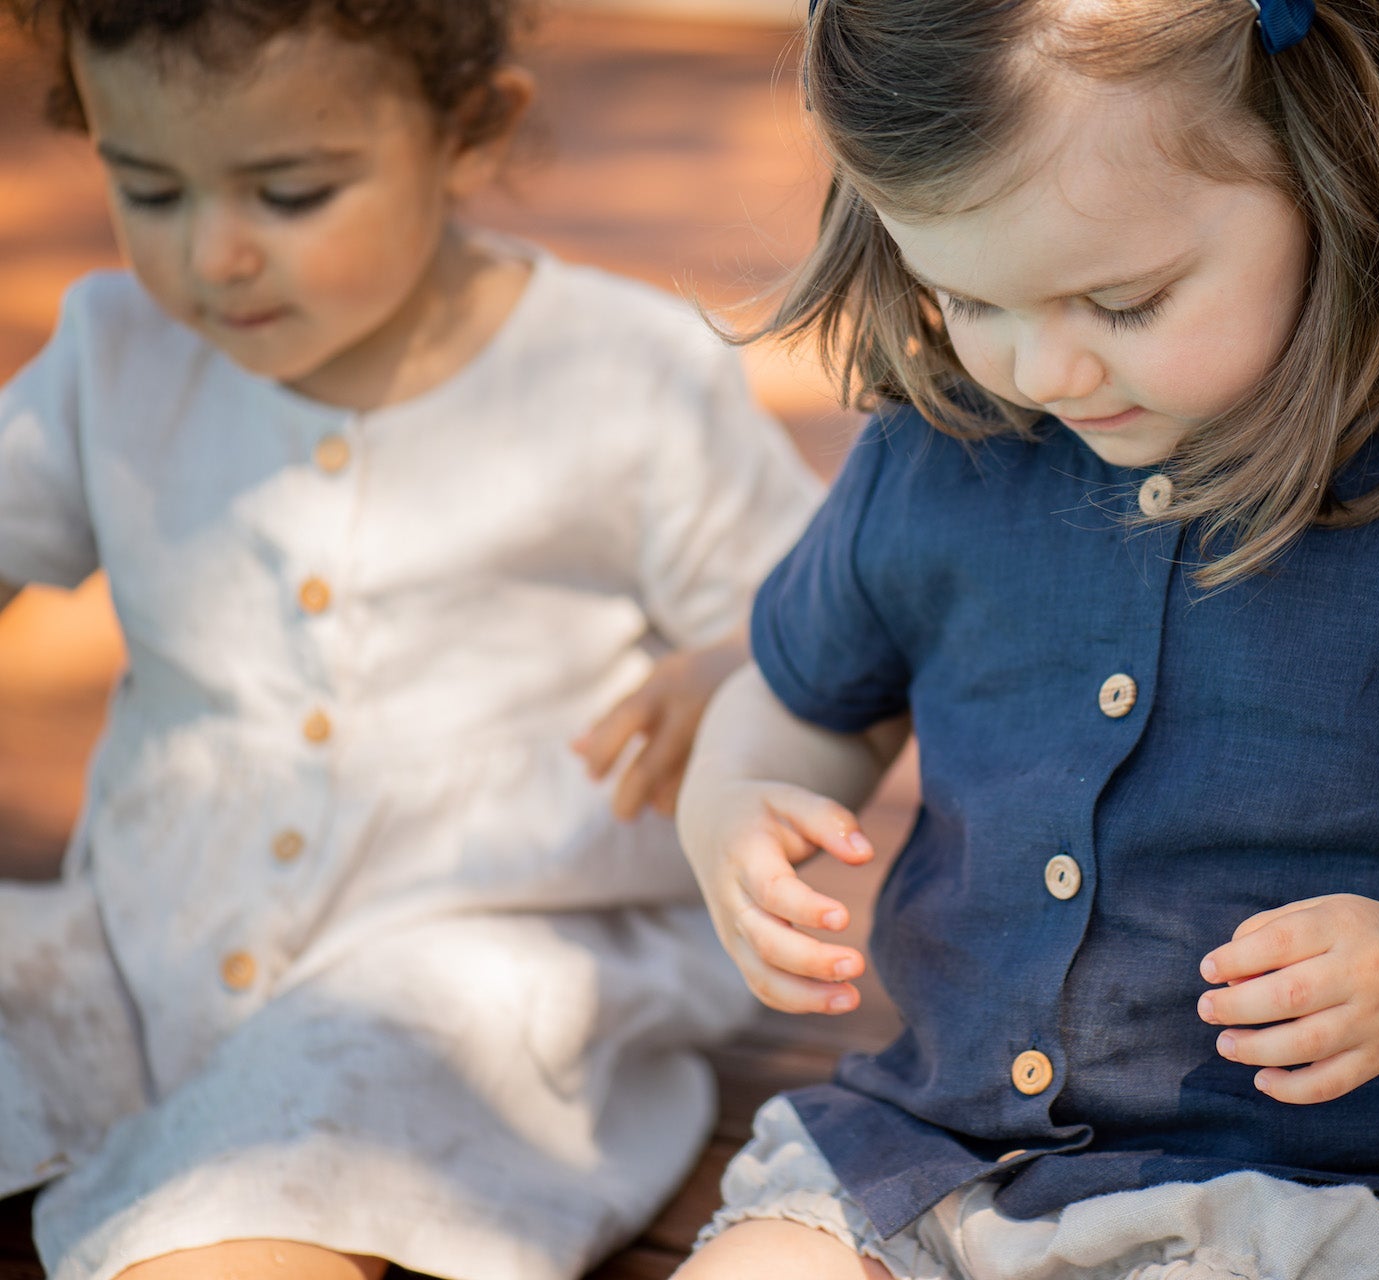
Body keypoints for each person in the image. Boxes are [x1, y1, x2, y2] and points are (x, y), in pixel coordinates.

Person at [670, 2, 1379, 1278]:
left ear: (1328, 173)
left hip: (1308, 1201)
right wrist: (734, 804)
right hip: (930, 1156)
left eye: (1123, 302)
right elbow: (810, 701)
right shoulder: (941, 448)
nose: (1046, 368)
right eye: (967, 294)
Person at [0, 2, 822, 1277]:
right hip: (140, 937)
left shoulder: (621, 376)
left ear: (466, 130)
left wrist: (732, 666)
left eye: (290, 193)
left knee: (304, 1143)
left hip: (481, 963)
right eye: (149, 189)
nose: (213, 255)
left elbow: (829, 616)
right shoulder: (120, 355)